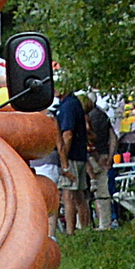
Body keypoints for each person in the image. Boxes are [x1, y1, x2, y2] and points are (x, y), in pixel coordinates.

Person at [53, 87, 89, 234]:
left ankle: (70, 232)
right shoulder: (73, 103)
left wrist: (64, 159)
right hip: (80, 155)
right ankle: (86, 229)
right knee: (79, 195)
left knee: (68, 194)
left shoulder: (68, 106)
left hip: (72, 156)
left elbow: (67, 134)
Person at [85, 94, 117, 231]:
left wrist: (97, 156)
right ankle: (105, 222)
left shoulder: (89, 118)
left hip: (94, 157)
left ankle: (101, 224)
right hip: (105, 155)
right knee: (103, 192)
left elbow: (91, 140)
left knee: (97, 192)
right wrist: (110, 156)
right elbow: (113, 137)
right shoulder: (103, 115)